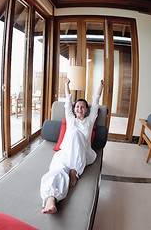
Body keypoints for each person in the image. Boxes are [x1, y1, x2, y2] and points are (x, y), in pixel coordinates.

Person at [40, 78, 105, 214]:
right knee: (56, 171)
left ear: (87, 110)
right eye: (77, 106)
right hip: (66, 153)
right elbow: (67, 103)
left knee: (75, 134)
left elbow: (96, 101)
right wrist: (66, 85)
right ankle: (51, 201)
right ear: (74, 110)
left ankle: (75, 171)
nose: (79, 108)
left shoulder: (90, 120)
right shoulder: (70, 119)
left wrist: (101, 86)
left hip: (84, 154)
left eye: (82, 107)